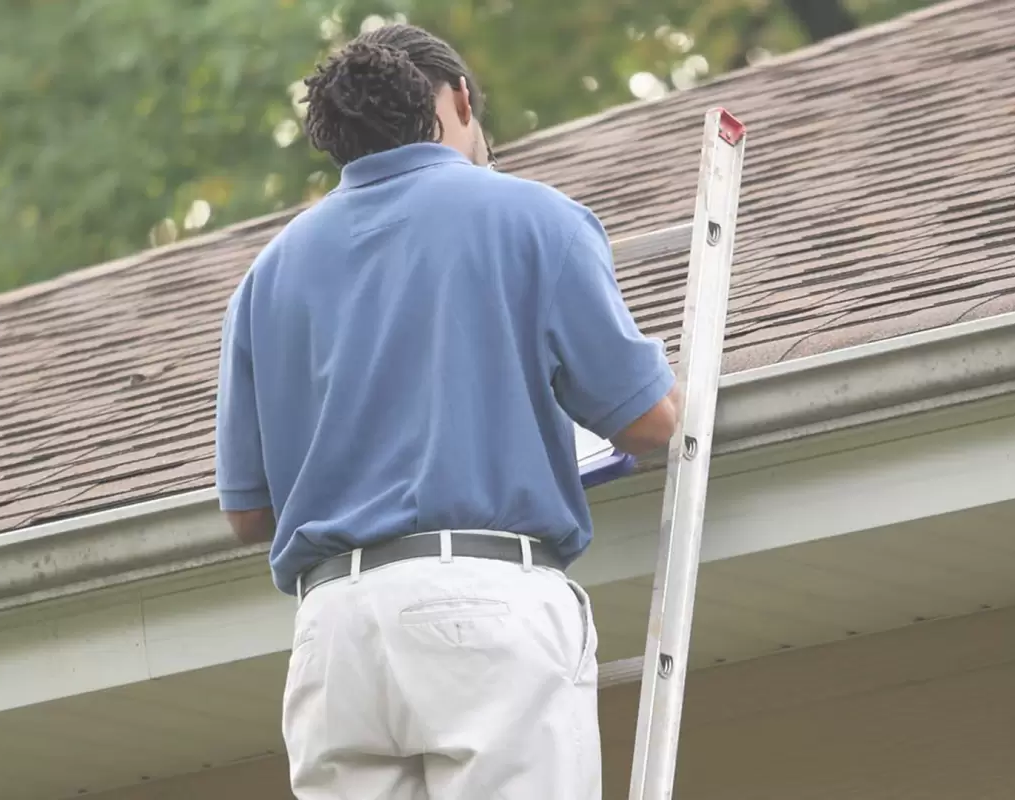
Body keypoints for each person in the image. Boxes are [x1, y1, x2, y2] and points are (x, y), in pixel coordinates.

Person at [213, 22, 679, 800]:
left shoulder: (267, 276)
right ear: (459, 100)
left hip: (332, 636)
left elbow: (248, 515)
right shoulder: (533, 218)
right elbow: (651, 423)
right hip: (482, 608)